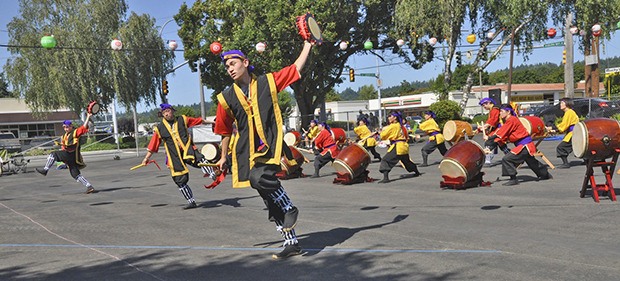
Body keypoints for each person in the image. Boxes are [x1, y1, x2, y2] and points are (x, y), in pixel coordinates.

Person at [213, 41, 313, 259]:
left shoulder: (268, 82)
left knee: (259, 179)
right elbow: (224, 131)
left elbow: (295, 68)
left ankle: (290, 207)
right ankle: (292, 242)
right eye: (227, 66)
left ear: (245, 63)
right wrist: (223, 156)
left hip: (269, 145)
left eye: (233, 63)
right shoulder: (226, 98)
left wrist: (307, 44)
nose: (230, 68)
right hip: (246, 151)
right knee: (269, 199)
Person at [142, 104, 215, 210]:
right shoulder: (160, 128)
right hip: (174, 156)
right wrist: (146, 158)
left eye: (168, 111)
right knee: (179, 180)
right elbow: (153, 145)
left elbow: (199, 121)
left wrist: (213, 122)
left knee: (199, 159)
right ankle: (191, 201)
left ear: (172, 111)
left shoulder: (182, 119)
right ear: (162, 114)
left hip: (187, 150)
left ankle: (212, 174)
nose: (167, 113)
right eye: (164, 112)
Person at [483, 104, 553, 186]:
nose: (500, 114)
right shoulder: (509, 121)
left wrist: (489, 138)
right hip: (525, 145)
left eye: (501, 111)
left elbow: (501, 133)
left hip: (525, 145)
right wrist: (490, 144)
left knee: (507, 159)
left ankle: (513, 179)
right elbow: (502, 136)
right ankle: (545, 174)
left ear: (508, 112)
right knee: (531, 162)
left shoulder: (511, 120)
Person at [35, 113, 97, 194]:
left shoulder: (75, 132)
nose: (65, 128)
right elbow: (63, 148)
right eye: (64, 127)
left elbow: (84, 127)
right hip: (69, 157)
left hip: (72, 154)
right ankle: (89, 187)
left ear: (71, 126)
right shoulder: (64, 136)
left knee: (53, 154)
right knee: (75, 174)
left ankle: (45, 170)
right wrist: (62, 160)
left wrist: (88, 116)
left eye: (67, 127)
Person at [377, 111, 420, 183]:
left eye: (390, 116)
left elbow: (383, 136)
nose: (389, 118)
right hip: (403, 146)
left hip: (398, 146)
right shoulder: (401, 126)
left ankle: (386, 178)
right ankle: (416, 171)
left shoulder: (393, 126)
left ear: (395, 117)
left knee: (385, 160)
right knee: (406, 162)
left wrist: (380, 133)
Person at [546, 98, 579, 169]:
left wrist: (554, 129)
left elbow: (563, 126)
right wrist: (553, 128)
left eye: (562, 103)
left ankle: (566, 163)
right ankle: (587, 160)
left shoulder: (569, 112)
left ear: (567, 104)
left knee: (561, 147)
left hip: (573, 133)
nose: (560, 105)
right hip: (573, 133)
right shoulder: (569, 112)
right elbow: (563, 125)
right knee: (577, 147)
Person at [478, 97, 509, 166]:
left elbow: (493, 121)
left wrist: (485, 126)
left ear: (489, 103)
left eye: (484, 105)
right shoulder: (492, 110)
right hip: (498, 129)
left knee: (489, 143)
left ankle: (487, 160)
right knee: (502, 145)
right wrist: (483, 127)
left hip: (499, 129)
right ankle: (513, 157)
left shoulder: (495, 110)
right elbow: (491, 121)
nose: (484, 107)